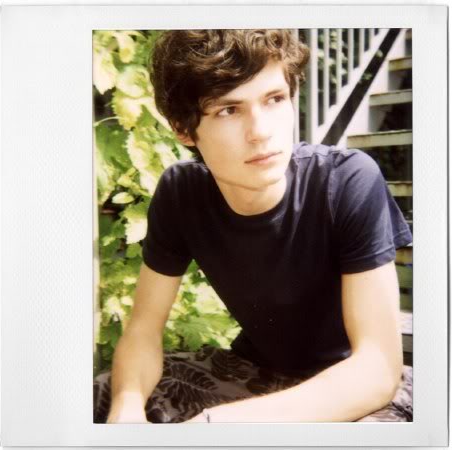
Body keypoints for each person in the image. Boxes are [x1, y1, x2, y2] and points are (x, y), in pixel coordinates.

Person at [93, 29, 413, 424]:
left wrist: (214, 427)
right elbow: (143, 329)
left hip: (351, 388)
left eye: (275, 99)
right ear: (182, 129)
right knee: (104, 393)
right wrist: (126, 410)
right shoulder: (181, 193)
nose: (261, 132)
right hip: (254, 373)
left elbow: (378, 370)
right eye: (229, 110)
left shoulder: (346, 181)